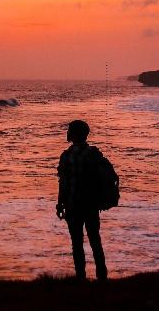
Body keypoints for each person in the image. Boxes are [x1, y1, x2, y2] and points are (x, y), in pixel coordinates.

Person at [56, 120, 108, 281]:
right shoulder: (93, 153)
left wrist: (59, 203)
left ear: (72, 134)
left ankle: (81, 278)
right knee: (95, 241)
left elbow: (63, 182)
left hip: (72, 205)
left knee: (77, 244)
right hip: (91, 205)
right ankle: (102, 277)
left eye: (69, 130)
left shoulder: (66, 156)